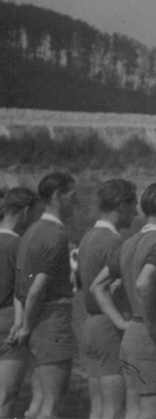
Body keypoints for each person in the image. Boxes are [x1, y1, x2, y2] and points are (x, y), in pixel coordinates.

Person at [90, 182, 156, 419]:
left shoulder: (129, 243)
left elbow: (97, 286)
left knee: (134, 413)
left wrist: (122, 324)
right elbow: (144, 282)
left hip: (132, 335)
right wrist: (155, 329)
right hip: (151, 337)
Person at [13, 172, 79, 419]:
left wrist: (25, 325)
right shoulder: (55, 234)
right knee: (53, 404)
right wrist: (26, 327)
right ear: (58, 196)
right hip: (51, 322)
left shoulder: (31, 231)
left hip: (38, 323)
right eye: (73, 195)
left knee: (38, 404)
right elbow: (36, 288)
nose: (77, 201)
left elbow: (23, 288)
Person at [78, 179, 138, 419]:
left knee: (98, 410)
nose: (137, 211)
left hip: (91, 325)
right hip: (109, 327)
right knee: (114, 412)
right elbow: (107, 290)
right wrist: (123, 324)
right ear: (121, 205)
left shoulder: (88, 237)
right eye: (134, 204)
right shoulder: (114, 242)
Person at [0, 187, 39, 418]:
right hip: (9, 326)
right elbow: (26, 291)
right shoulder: (21, 246)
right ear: (25, 212)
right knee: (5, 398)